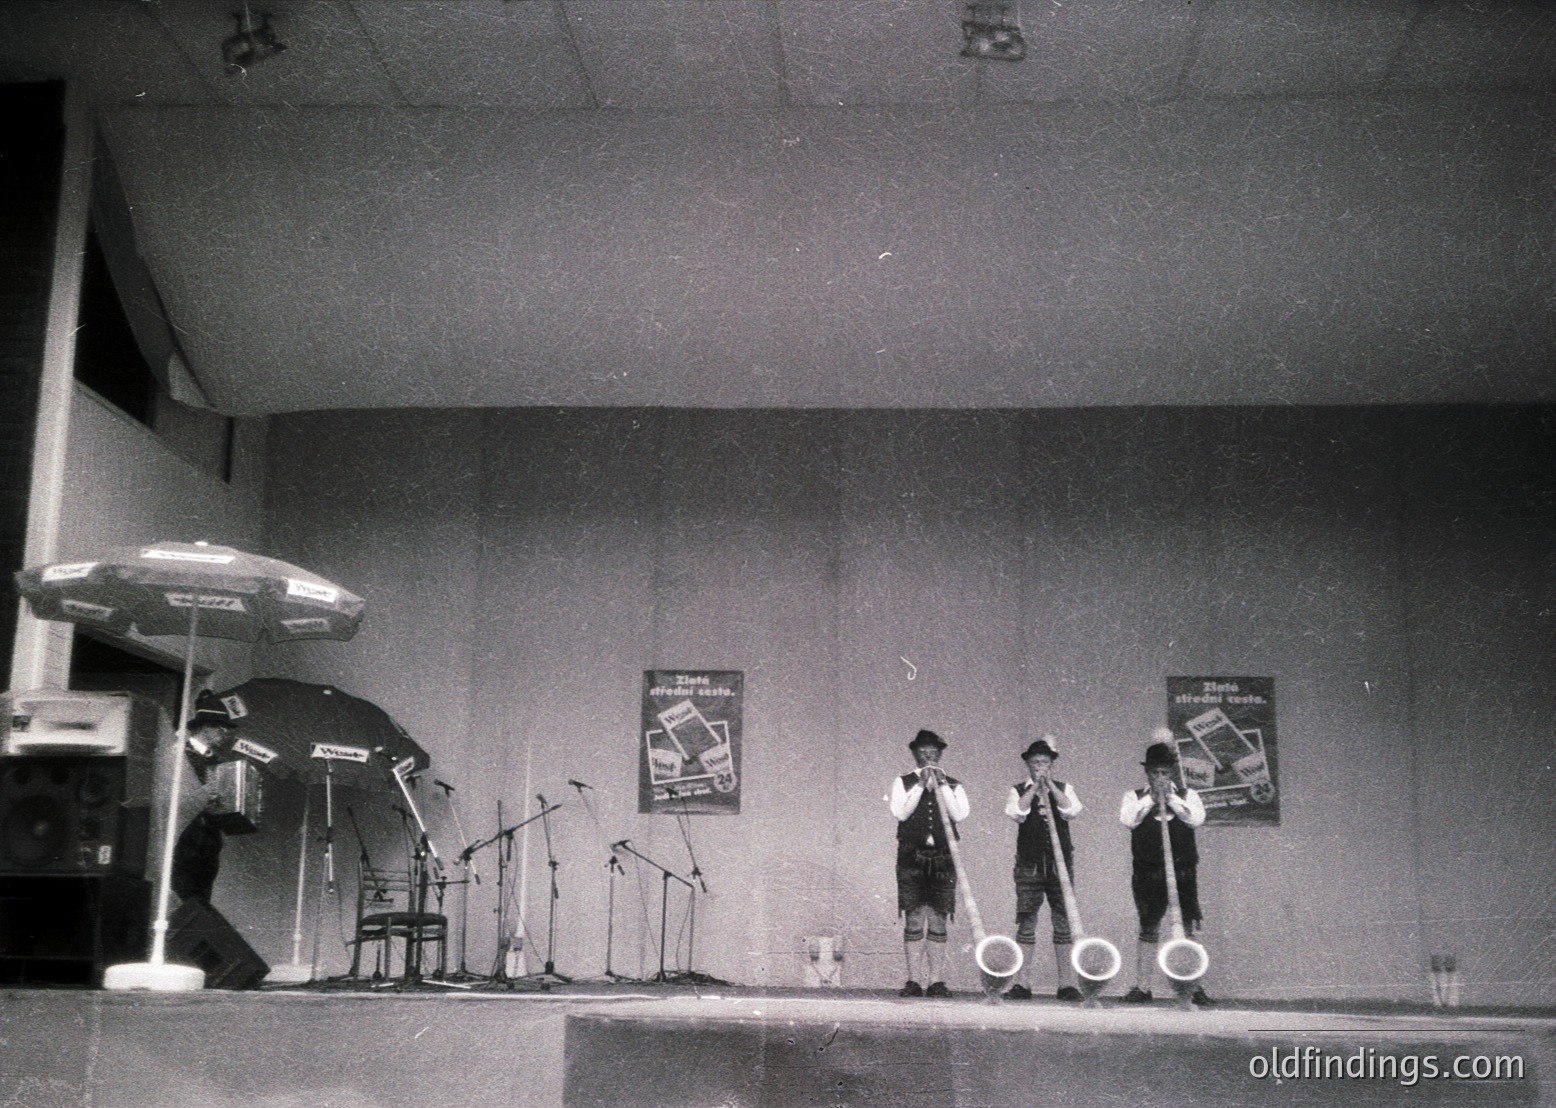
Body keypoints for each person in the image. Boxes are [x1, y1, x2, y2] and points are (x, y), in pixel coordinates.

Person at [1119, 732, 1211, 1005]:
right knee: (1148, 927)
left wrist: (1170, 798)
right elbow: (1129, 820)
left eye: (1165, 772)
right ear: (1147, 773)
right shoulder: (1133, 797)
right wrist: (1151, 799)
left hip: (1183, 872)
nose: (1160, 777)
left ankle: (1194, 987)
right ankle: (1143, 987)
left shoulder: (1188, 795)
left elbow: (1195, 819)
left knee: (1187, 927)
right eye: (1155, 772)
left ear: (1171, 772)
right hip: (1148, 873)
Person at [1001, 735, 1084, 1000]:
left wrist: (1049, 787)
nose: (1040, 767)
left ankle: (1067, 984)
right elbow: (1017, 813)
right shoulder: (1017, 789)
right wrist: (1034, 788)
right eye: (1035, 762)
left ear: (1051, 764)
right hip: (1030, 863)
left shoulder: (1064, 787)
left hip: (1060, 864)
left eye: (1044, 762)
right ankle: (1022, 983)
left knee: (1063, 922)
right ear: (1028, 765)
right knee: (1026, 922)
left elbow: (1071, 810)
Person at [889, 728, 969, 998]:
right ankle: (913, 980)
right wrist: (922, 785)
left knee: (938, 918)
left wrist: (942, 784)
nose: (929, 757)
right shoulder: (902, 782)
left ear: (940, 755)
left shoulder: (954, 784)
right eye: (924, 753)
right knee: (913, 916)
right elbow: (901, 812)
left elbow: (959, 814)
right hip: (912, 856)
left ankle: (936, 980)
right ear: (915, 754)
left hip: (943, 858)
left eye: (933, 753)